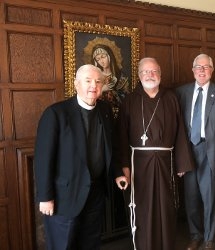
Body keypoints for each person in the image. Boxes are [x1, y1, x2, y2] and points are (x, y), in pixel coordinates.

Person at [114, 57, 195, 250]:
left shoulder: (171, 98)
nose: (150, 75)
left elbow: (180, 132)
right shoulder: (130, 100)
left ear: (160, 73)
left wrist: (182, 164)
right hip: (138, 164)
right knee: (142, 209)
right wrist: (124, 166)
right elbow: (121, 137)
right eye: (146, 72)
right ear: (139, 75)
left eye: (154, 71)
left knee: (166, 207)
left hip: (166, 163)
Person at [34, 64, 117, 250]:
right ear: (76, 84)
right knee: (63, 245)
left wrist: (118, 172)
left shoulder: (105, 110)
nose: (93, 86)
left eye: (98, 82)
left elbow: (110, 147)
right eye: (88, 81)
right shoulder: (55, 113)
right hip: (64, 197)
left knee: (90, 243)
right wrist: (45, 197)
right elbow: (43, 159)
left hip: (95, 193)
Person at [176, 53, 215, 250]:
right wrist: (178, 158)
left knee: (210, 198)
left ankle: (209, 238)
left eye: (206, 67)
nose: (202, 70)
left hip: (211, 153)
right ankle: (195, 235)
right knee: (190, 198)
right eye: (198, 67)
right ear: (192, 71)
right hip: (188, 152)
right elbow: (177, 128)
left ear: (212, 70)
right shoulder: (181, 92)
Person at [92, 43, 130, 119]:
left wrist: (113, 92)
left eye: (103, 57)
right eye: (98, 59)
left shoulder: (121, 76)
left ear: (109, 56)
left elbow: (126, 98)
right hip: (99, 114)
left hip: (118, 115)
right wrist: (102, 90)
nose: (101, 61)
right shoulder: (95, 76)